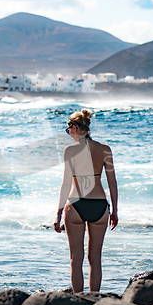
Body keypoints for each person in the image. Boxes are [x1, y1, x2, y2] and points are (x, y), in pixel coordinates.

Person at [54, 108, 118, 293]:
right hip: (99, 206)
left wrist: (58, 213)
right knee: (95, 258)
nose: (69, 134)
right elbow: (112, 183)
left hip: (75, 205)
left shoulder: (69, 151)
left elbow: (66, 183)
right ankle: (95, 301)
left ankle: (78, 301)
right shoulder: (105, 150)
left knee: (76, 258)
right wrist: (114, 211)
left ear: (74, 127)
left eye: (68, 130)